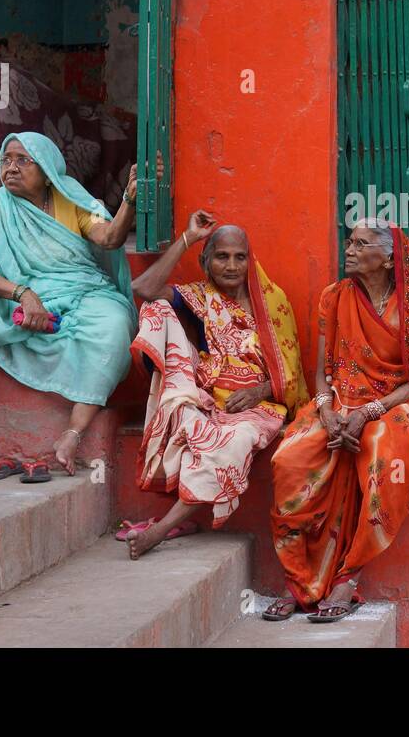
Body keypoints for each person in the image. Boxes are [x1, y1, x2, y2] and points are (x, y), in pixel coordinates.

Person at [264, 220, 409, 622]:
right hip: (336, 402)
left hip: (395, 403)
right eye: (349, 242)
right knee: (290, 460)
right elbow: (322, 371)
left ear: (388, 258)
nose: (349, 249)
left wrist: (369, 413)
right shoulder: (334, 297)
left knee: (381, 454)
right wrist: (328, 412)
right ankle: (299, 582)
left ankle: (347, 577)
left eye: (361, 244)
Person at [0, 132, 138, 475]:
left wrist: (129, 201)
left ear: (47, 170)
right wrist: (23, 294)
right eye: (6, 159)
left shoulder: (71, 199)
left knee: (114, 323)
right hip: (20, 295)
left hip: (82, 292)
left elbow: (108, 238)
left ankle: (73, 433)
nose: (11, 168)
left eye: (22, 160)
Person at [123, 211, 307, 559]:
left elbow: (291, 370)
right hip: (206, 397)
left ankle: (160, 529)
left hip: (259, 406)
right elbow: (143, 288)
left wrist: (259, 391)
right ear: (205, 262)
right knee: (157, 309)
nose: (232, 265)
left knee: (233, 440)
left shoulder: (272, 303)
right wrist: (188, 238)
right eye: (222, 256)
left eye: (240, 257)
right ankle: (176, 399)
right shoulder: (198, 297)